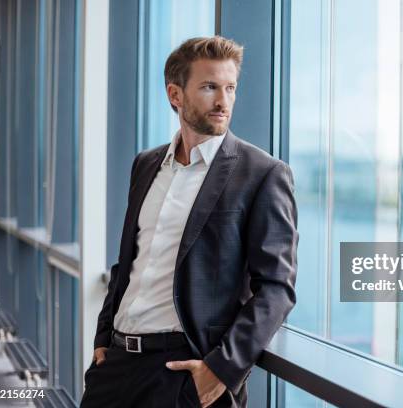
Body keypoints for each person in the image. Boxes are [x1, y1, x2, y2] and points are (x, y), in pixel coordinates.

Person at [80, 36, 298, 408]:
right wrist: (103, 338)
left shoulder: (263, 174)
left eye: (230, 88)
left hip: (184, 373)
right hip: (115, 366)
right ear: (175, 95)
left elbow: (276, 288)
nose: (223, 101)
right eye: (210, 87)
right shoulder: (146, 164)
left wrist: (222, 370)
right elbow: (130, 260)